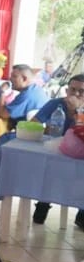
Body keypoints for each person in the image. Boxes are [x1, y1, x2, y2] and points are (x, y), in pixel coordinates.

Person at [31, 73, 84, 227]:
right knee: (48, 168)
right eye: (72, 90)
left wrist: (77, 111)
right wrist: (44, 129)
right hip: (55, 152)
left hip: (79, 156)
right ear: (66, 90)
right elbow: (33, 123)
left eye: (81, 91)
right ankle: (42, 206)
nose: (76, 94)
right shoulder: (55, 104)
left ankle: (81, 215)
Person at [0, 64, 49, 129]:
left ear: (24, 79)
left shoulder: (26, 95)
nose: (10, 79)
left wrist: (1, 91)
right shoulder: (36, 89)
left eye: (14, 76)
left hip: (28, 132)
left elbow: (2, 113)